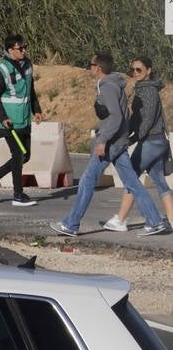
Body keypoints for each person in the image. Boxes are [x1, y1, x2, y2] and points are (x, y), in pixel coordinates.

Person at [52, 52, 169, 237]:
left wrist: (103, 140)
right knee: (133, 183)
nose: (89, 68)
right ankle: (154, 221)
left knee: (87, 181)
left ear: (98, 68)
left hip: (111, 144)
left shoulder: (107, 86)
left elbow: (116, 117)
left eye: (90, 65)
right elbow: (126, 115)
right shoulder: (116, 84)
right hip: (118, 142)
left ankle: (71, 224)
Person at [103, 56, 173, 234]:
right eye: (132, 70)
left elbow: (146, 121)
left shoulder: (147, 90)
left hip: (151, 142)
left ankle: (121, 219)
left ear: (148, 71)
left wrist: (131, 139)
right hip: (158, 142)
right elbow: (139, 119)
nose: (134, 73)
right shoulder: (145, 89)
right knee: (160, 183)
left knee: (131, 178)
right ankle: (172, 220)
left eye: (139, 70)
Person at [0, 34, 43, 207]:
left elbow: (30, 89)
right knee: (18, 155)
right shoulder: (0, 70)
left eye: (25, 47)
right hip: (9, 121)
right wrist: (3, 118)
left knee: (25, 155)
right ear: (10, 50)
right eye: (20, 48)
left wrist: (36, 109)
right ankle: (18, 195)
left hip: (24, 120)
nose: (24, 51)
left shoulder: (27, 65)